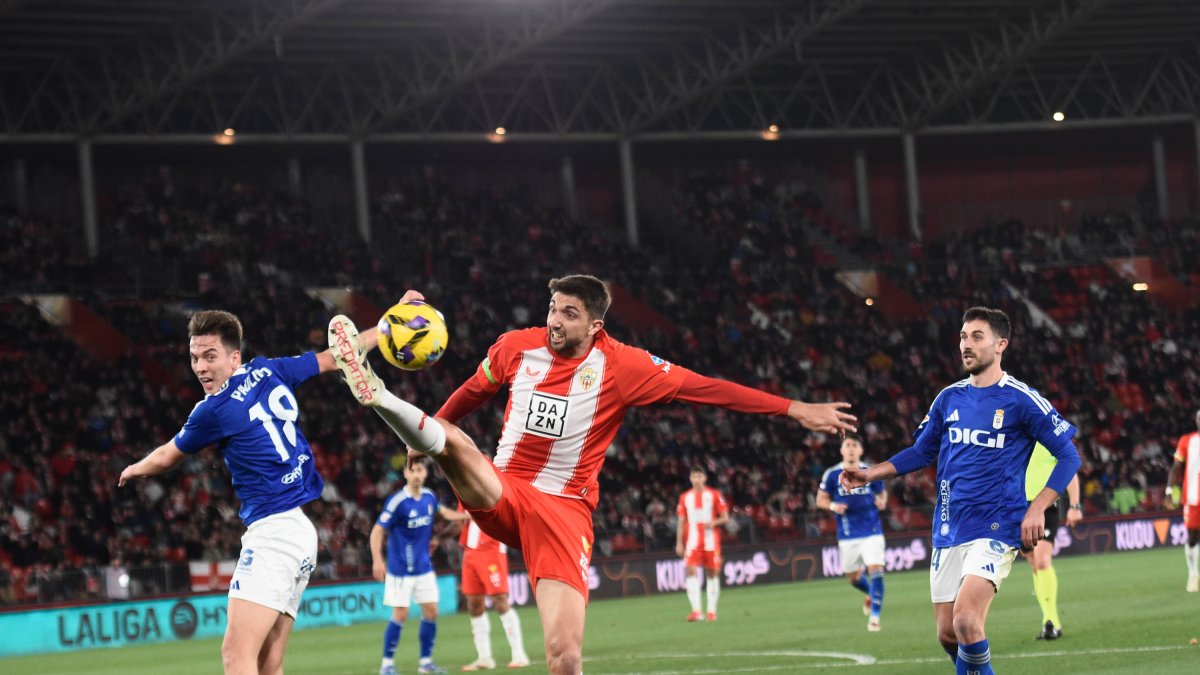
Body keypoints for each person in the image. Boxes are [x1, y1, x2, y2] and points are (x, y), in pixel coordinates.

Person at [329, 274, 856, 675]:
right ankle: (380, 396)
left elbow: (707, 388)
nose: (555, 320)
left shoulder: (625, 366)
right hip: (506, 491)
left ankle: (399, 413)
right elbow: (461, 404)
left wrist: (793, 408)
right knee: (457, 447)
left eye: (569, 313)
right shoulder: (516, 347)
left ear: (595, 325)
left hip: (564, 513)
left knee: (565, 658)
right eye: (553, 309)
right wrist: (427, 427)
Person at [119, 310, 364, 675]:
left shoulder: (213, 410)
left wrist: (134, 468)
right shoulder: (270, 370)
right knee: (268, 664)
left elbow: (168, 456)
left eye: (210, 356)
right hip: (300, 532)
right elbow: (337, 355)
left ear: (235, 357)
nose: (200, 367)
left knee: (236, 656)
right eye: (194, 358)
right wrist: (392, 325)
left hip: (274, 535)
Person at [840, 306, 1080, 675]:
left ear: (1001, 344)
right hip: (950, 526)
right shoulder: (948, 398)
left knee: (967, 620)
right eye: (963, 337)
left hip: (998, 526)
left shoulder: (1021, 399)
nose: (966, 345)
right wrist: (871, 474)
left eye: (976, 337)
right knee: (948, 635)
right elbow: (922, 451)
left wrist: (1038, 507)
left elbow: (1068, 456)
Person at [372, 458, 470, 675]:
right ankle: (386, 665)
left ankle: (425, 663)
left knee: (432, 611)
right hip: (400, 570)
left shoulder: (429, 497)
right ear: (406, 474)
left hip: (423, 567)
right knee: (401, 614)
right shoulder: (397, 501)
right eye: (412, 470)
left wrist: (467, 515)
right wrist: (377, 560)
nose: (416, 474)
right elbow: (377, 530)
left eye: (420, 470)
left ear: (425, 473)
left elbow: (444, 513)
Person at [816, 433, 887, 632]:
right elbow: (819, 500)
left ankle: (874, 617)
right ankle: (871, 594)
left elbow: (882, 492)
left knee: (876, 570)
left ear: (861, 450)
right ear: (841, 450)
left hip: (872, 530)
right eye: (847, 445)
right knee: (853, 577)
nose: (851, 448)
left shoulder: (870, 471)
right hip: (848, 534)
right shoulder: (831, 474)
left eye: (854, 445)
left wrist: (882, 501)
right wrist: (832, 506)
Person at [458, 506, 532, 670]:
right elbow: (461, 520)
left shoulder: (493, 484)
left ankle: (519, 655)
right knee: (474, 604)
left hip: (491, 549)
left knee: (500, 600)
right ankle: (484, 658)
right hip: (470, 552)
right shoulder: (463, 491)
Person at [1021, 442, 1082, 640]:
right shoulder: (1012, 433)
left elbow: (1069, 466)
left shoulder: (1047, 434)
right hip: (1016, 507)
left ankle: (1050, 620)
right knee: (1032, 561)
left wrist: (1074, 505)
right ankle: (1050, 620)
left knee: (1042, 560)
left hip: (1044, 507)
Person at [675, 466, 729, 622]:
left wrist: (713, 522)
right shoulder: (685, 497)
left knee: (712, 574)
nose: (696, 479)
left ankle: (712, 611)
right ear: (690, 479)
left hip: (711, 542)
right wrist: (679, 543)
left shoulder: (714, 495)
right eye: (694, 476)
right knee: (690, 571)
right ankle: (697, 611)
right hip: (692, 542)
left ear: (704, 478)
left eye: (699, 476)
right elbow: (681, 522)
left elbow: (725, 517)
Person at [1167, 408, 1200, 593]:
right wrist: (1169, 489)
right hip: (1193, 497)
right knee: (1193, 536)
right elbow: (1176, 466)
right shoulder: (1187, 441)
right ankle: (1193, 574)